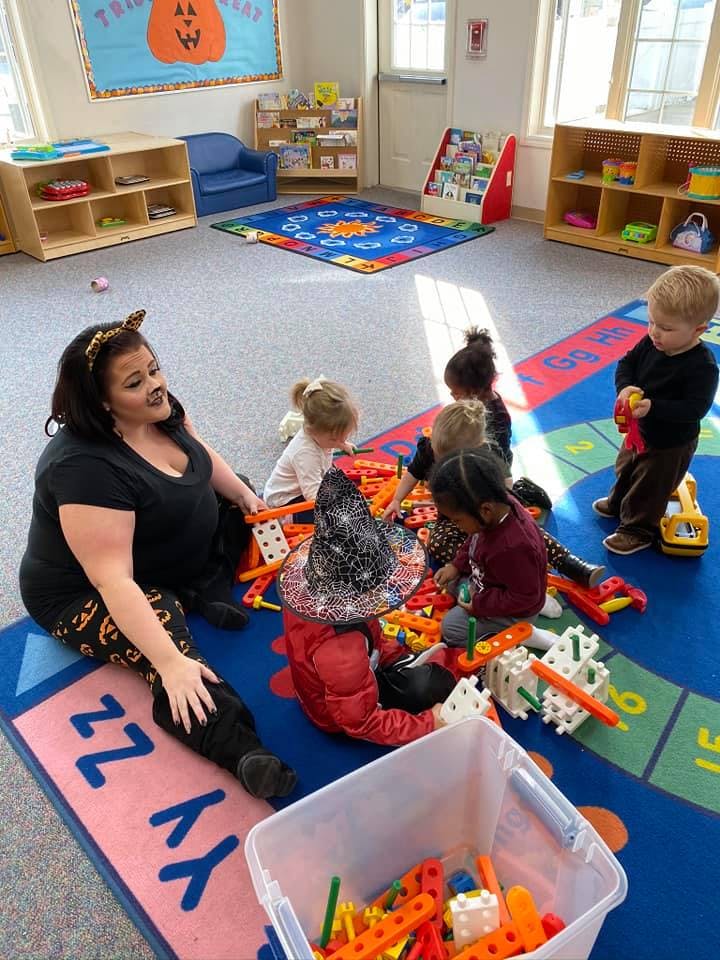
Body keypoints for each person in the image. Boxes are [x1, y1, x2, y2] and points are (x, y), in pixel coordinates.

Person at [19, 311, 297, 800]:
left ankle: (203, 590)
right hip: (83, 590)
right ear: (102, 402)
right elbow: (114, 582)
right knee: (164, 633)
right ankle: (239, 750)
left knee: (239, 499)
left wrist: (243, 496)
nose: (155, 384)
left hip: (151, 549)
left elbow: (199, 452)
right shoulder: (83, 468)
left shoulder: (159, 408)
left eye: (154, 368)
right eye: (135, 381)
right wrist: (169, 663)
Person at [278, 467, 461, 746]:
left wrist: (392, 652)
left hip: (335, 682)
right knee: (436, 684)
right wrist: (428, 725)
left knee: (425, 669)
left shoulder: (311, 593)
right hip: (337, 713)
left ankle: (401, 667)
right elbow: (361, 722)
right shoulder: (342, 650)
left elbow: (365, 637)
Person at [383, 399, 605, 587]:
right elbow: (413, 472)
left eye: (450, 458)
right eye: (439, 456)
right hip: (457, 518)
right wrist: (396, 500)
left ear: (477, 447)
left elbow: (505, 485)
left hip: (491, 513)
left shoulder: (487, 457)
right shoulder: (430, 448)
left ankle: (572, 564)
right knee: (438, 543)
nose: (443, 463)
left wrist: (502, 499)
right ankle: (490, 573)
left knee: (531, 531)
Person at [593, 266, 720, 555]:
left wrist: (655, 407)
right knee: (626, 466)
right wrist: (625, 387)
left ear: (698, 329)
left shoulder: (702, 366)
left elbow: (696, 408)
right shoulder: (651, 343)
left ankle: (638, 529)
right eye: (651, 322)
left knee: (651, 484)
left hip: (671, 442)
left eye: (666, 328)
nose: (654, 332)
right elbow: (627, 364)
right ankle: (618, 502)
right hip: (640, 429)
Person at [431, 448, 557, 650]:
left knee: (451, 629)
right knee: (451, 581)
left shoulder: (513, 547)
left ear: (485, 510)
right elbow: (472, 541)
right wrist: (455, 565)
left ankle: (523, 633)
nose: (456, 526)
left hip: (518, 606)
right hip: (494, 584)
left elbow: (524, 597)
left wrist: (478, 605)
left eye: (457, 520)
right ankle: (536, 602)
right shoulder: (494, 509)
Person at [264, 377, 358, 519]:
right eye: (335, 439)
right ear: (312, 430)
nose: (341, 440)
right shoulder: (305, 454)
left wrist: (341, 444)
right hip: (285, 505)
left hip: (304, 487)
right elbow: (313, 495)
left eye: (344, 436)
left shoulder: (321, 436)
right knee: (332, 519)